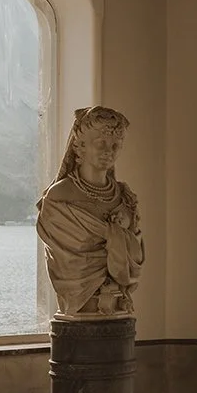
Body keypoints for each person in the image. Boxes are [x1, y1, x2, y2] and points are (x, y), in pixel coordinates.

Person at [36, 106, 144, 317]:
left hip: (119, 310)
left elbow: (136, 251)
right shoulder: (60, 197)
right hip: (79, 309)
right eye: (101, 143)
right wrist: (115, 234)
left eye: (115, 145)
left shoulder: (125, 197)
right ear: (80, 145)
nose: (108, 151)